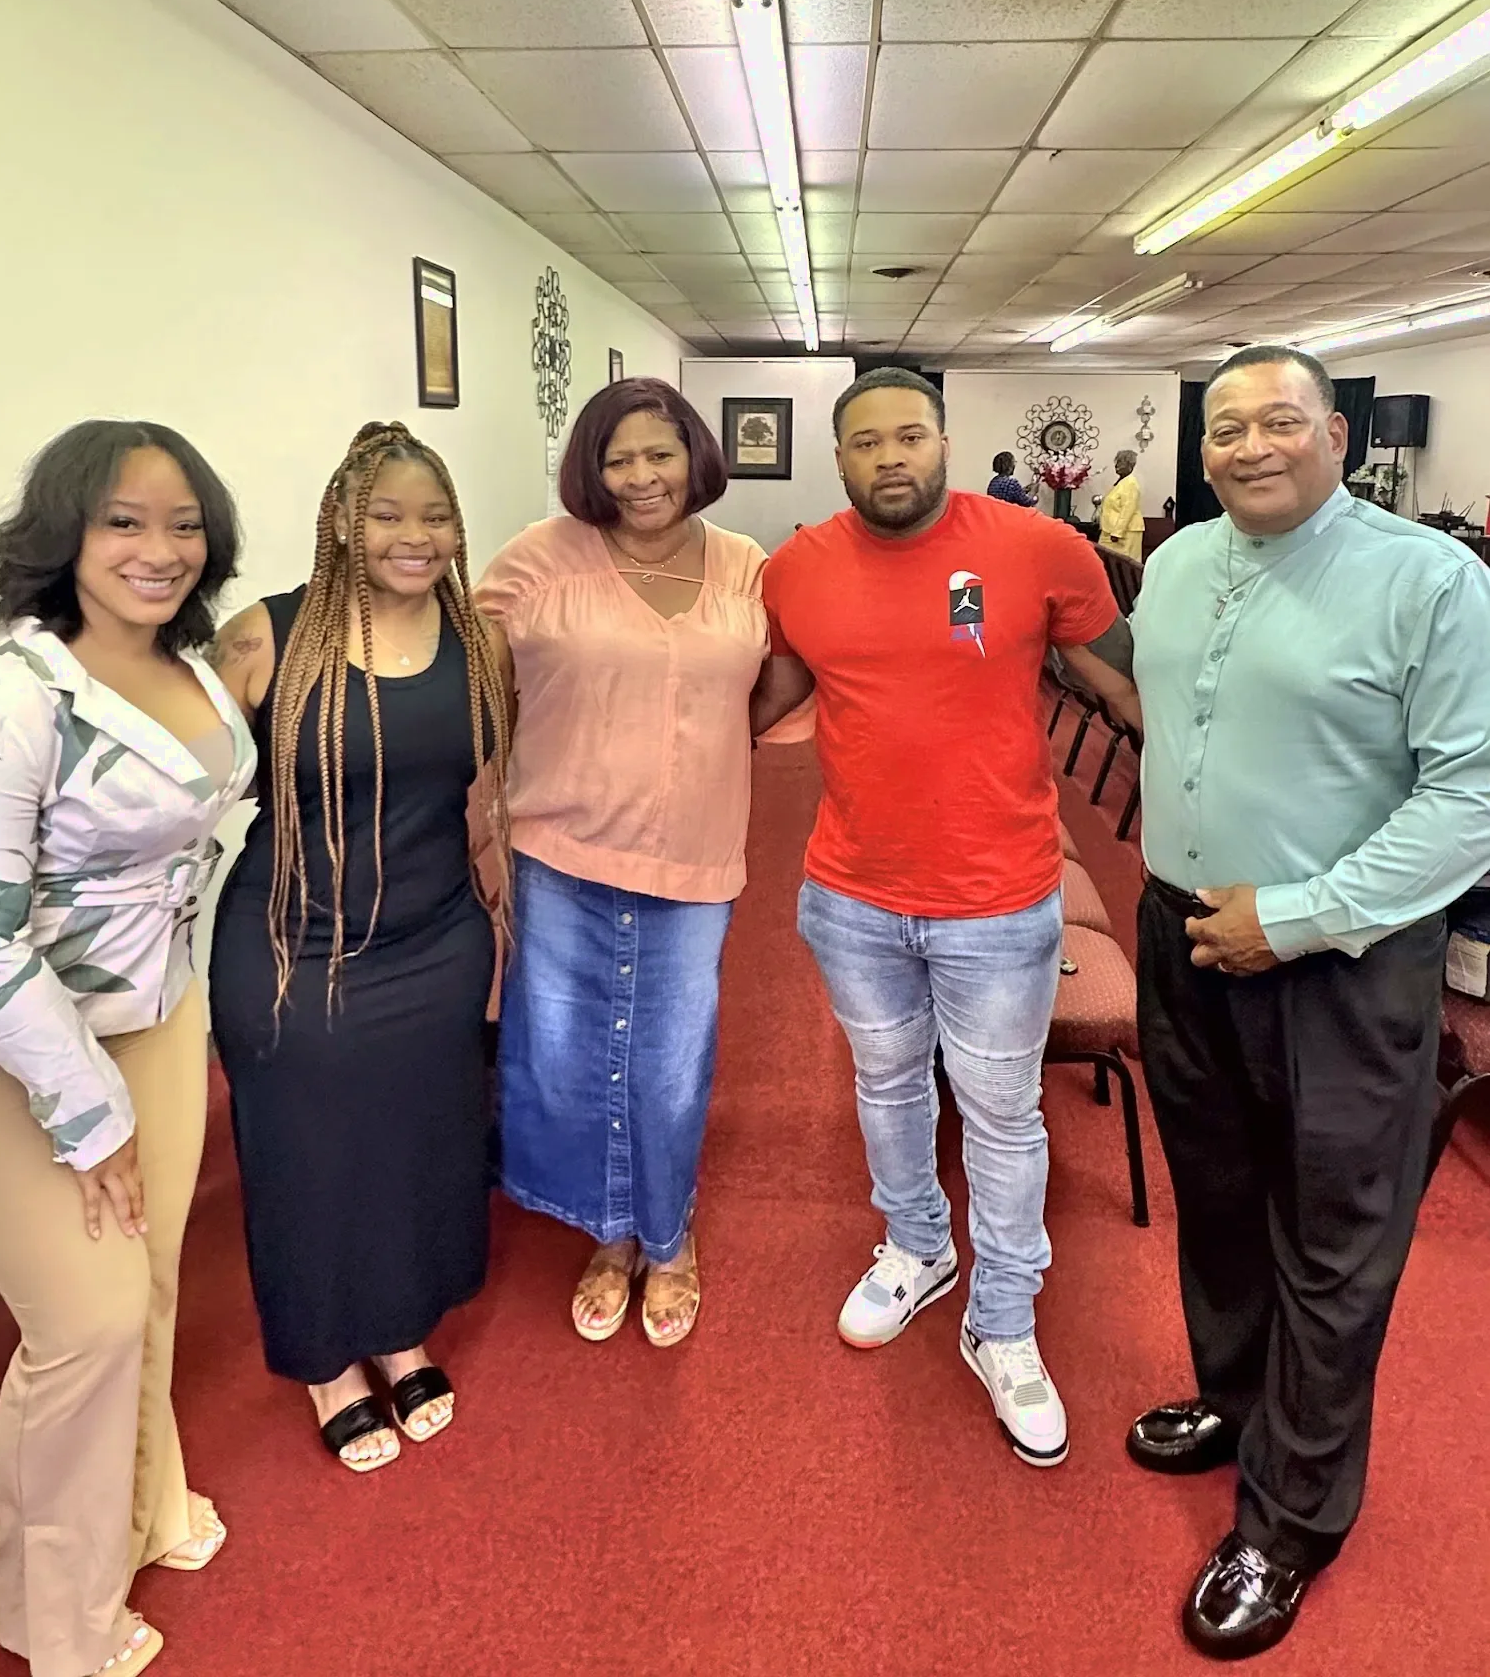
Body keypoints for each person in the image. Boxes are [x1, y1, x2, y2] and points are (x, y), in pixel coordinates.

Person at [1126, 345, 1490, 1660]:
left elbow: (1471, 798)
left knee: (1333, 1244)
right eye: (1226, 428)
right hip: (1182, 936)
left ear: (1337, 436)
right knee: (1219, 1201)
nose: (1250, 446)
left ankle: (1290, 1520)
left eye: (1280, 421)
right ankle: (1237, 1403)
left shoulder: (1429, 579)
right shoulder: (1176, 563)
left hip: (1338, 962)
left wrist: (1292, 915)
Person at [752, 368, 1138, 1466]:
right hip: (853, 894)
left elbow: (1124, 690)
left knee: (1002, 1115)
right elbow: (766, 698)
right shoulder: (798, 567)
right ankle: (917, 1244)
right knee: (886, 1085)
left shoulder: (1036, 548)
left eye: (909, 435)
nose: (890, 456)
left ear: (943, 442)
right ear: (838, 458)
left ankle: (1003, 1319)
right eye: (865, 441)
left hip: (999, 897)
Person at [0, 421, 255, 1677]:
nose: (161, 549)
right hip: (27, 1050)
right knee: (86, 1322)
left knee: (150, 1283)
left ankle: (138, 1507)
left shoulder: (192, 664)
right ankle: (53, 1610)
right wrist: (89, 1114)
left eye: (184, 524)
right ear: (67, 533)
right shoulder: (21, 691)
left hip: (162, 1014)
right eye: (125, 522)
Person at [209, 423, 513, 1474]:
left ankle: (398, 1332)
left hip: (434, 940)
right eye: (386, 514)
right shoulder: (265, 636)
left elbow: (481, 779)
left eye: (434, 516)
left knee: (418, 1143)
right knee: (306, 1153)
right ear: (342, 520)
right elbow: (186, 785)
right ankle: (328, 1363)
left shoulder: (481, 641)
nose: (413, 535)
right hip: (292, 945)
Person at [475, 378, 769, 1349]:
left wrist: (713, 749)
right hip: (560, 847)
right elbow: (476, 686)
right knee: (569, 1052)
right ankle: (610, 1232)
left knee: (670, 1064)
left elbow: (773, 686)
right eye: (618, 458)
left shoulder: (743, 566)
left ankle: (669, 1235)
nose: (641, 476)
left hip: (693, 855)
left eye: (660, 453)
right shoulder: (538, 557)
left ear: (695, 457)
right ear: (590, 469)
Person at [1098, 449, 1144, 560]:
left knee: (1126, 563)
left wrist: (1117, 532)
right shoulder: (1121, 482)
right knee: (1102, 558)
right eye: (1116, 462)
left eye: (1121, 463)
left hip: (1125, 533)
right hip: (1109, 531)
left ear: (1130, 466)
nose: (1117, 466)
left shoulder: (1131, 484)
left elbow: (1128, 510)